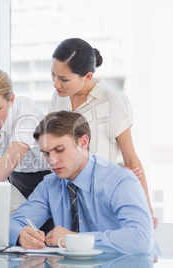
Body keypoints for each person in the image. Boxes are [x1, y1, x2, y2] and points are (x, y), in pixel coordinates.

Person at [9, 111, 158, 254]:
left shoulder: (119, 181)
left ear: (83, 142)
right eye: (46, 153)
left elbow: (141, 240)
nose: (52, 160)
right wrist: (21, 235)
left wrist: (74, 240)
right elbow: (12, 224)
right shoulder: (49, 185)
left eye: (59, 150)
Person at [48, 38, 157, 227]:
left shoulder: (113, 100)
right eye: (53, 75)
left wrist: (147, 210)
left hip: (99, 200)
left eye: (64, 79)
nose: (56, 84)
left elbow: (132, 161)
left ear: (88, 76)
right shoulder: (59, 97)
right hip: (65, 196)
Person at [0, 66, 50, 198]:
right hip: (13, 178)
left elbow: (10, 161)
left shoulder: (26, 116)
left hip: (44, 181)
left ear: (11, 100)